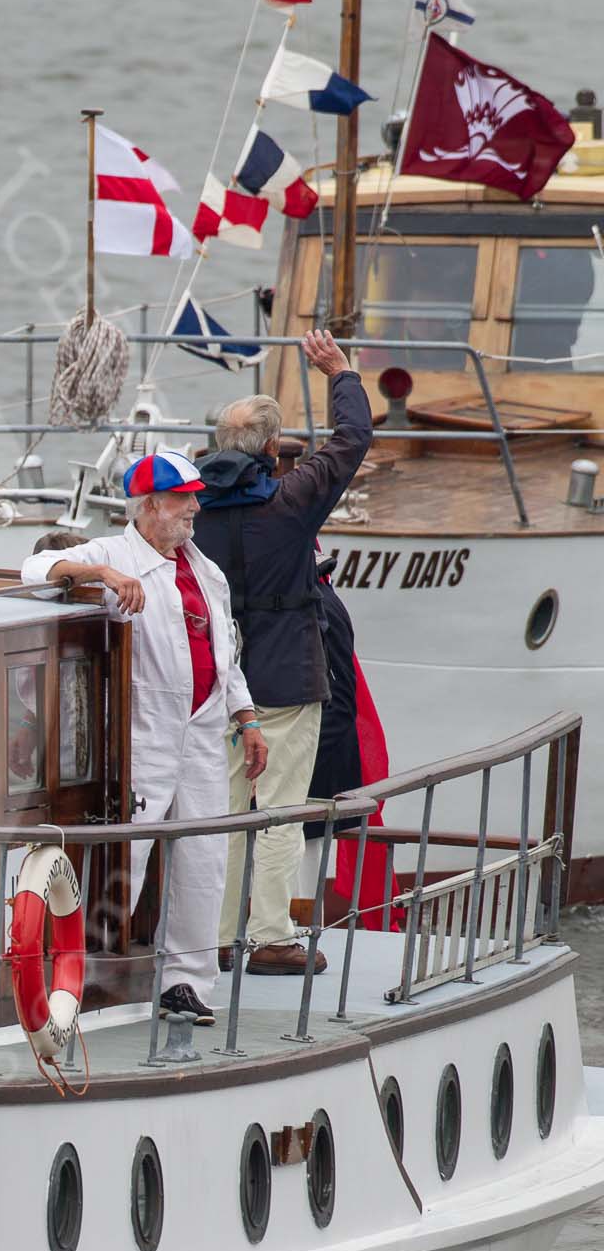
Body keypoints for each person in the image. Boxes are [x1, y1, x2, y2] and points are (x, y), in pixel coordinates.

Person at [23, 451, 268, 1024]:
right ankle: (80, 978)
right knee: (124, 856)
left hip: (204, 731)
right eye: (184, 498)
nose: (195, 508)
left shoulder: (207, 573)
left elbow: (225, 655)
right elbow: (36, 571)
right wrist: (103, 576)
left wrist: (248, 718)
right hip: (144, 734)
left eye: (194, 497)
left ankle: (185, 981)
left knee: (203, 859)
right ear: (151, 504)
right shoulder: (114, 553)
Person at [193, 329, 373, 976]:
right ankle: (270, 934)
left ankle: (212, 934)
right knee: (279, 810)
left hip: (218, 683)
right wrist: (340, 372)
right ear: (273, 450)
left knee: (223, 808)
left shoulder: (191, 513)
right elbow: (352, 441)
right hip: (287, 678)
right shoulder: (293, 502)